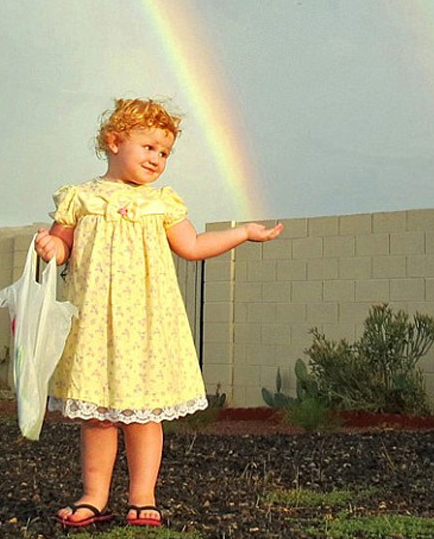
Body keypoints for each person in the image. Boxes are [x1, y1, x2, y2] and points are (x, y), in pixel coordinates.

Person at [35, 97, 284, 527]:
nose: (157, 158)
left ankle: (142, 496)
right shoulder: (81, 198)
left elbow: (193, 246)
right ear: (114, 141)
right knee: (97, 416)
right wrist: (48, 247)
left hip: (146, 326)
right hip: (94, 327)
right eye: (148, 147)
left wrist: (243, 232)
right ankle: (93, 496)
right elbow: (62, 248)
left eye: (165, 152)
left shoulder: (162, 203)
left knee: (144, 415)